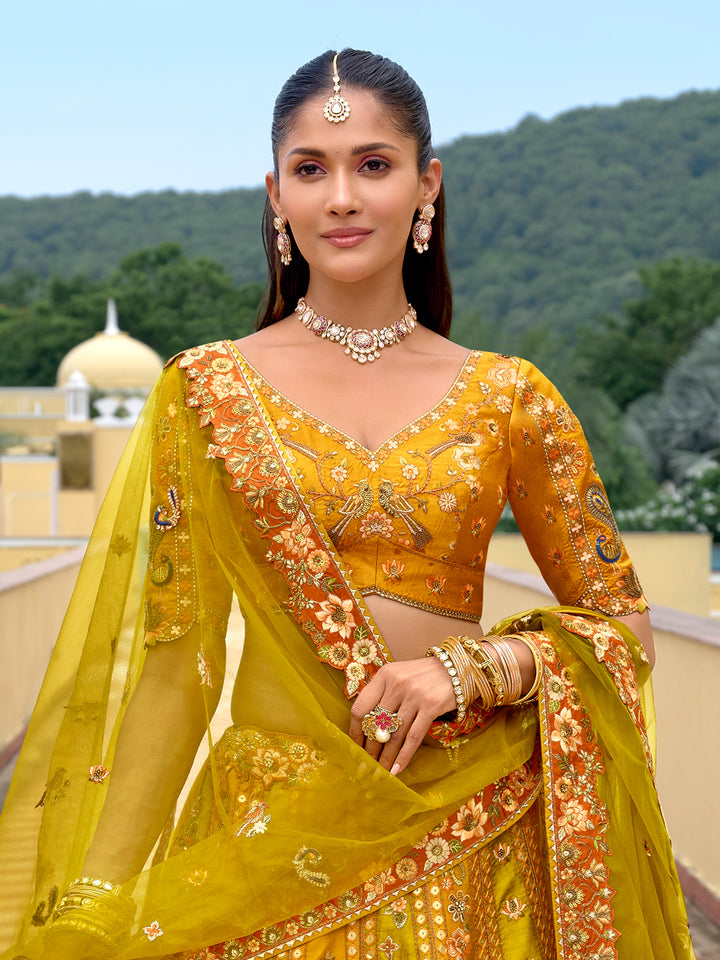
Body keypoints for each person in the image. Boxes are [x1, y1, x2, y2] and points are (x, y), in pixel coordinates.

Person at [0, 49, 695, 960]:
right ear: (275, 195)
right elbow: (174, 671)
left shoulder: (510, 397)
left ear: (426, 184)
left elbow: (622, 633)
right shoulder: (206, 393)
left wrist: (473, 670)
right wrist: (97, 899)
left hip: (467, 834)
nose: (342, 197)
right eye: (311, 169)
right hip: (268, 836)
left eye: (374, 164)